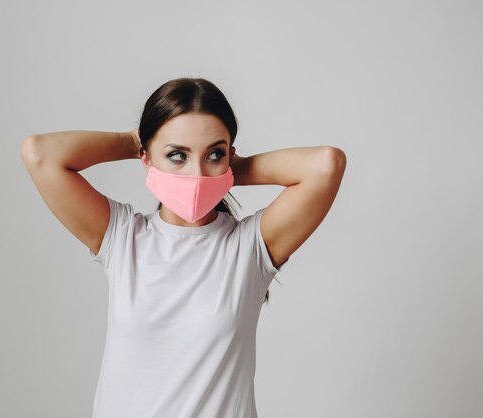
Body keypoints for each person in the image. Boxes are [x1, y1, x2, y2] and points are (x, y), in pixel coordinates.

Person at [20, 77, 346, 418]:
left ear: (230, 157)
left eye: (214, 154)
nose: (196, 174)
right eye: (177, 155)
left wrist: (230, 170)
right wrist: (134, 141)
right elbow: (39, 153)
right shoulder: (122, 237)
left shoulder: (249, 248)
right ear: (147, 158)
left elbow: (326, 165)